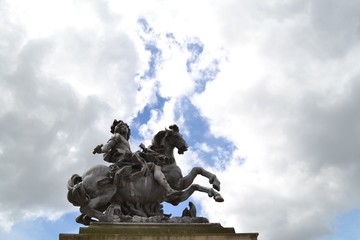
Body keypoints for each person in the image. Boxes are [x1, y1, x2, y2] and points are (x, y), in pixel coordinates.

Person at [93, 119, 177, 196]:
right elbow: (107, 147)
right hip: (124, 158)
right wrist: (100, 150)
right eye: (121, 126)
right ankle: (168, 189)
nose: (124, 127)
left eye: (125, 126)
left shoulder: (125, 141)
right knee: (154, 166)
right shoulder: (117, 136)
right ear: (117, 129)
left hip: (128, 158)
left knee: (144, 154)